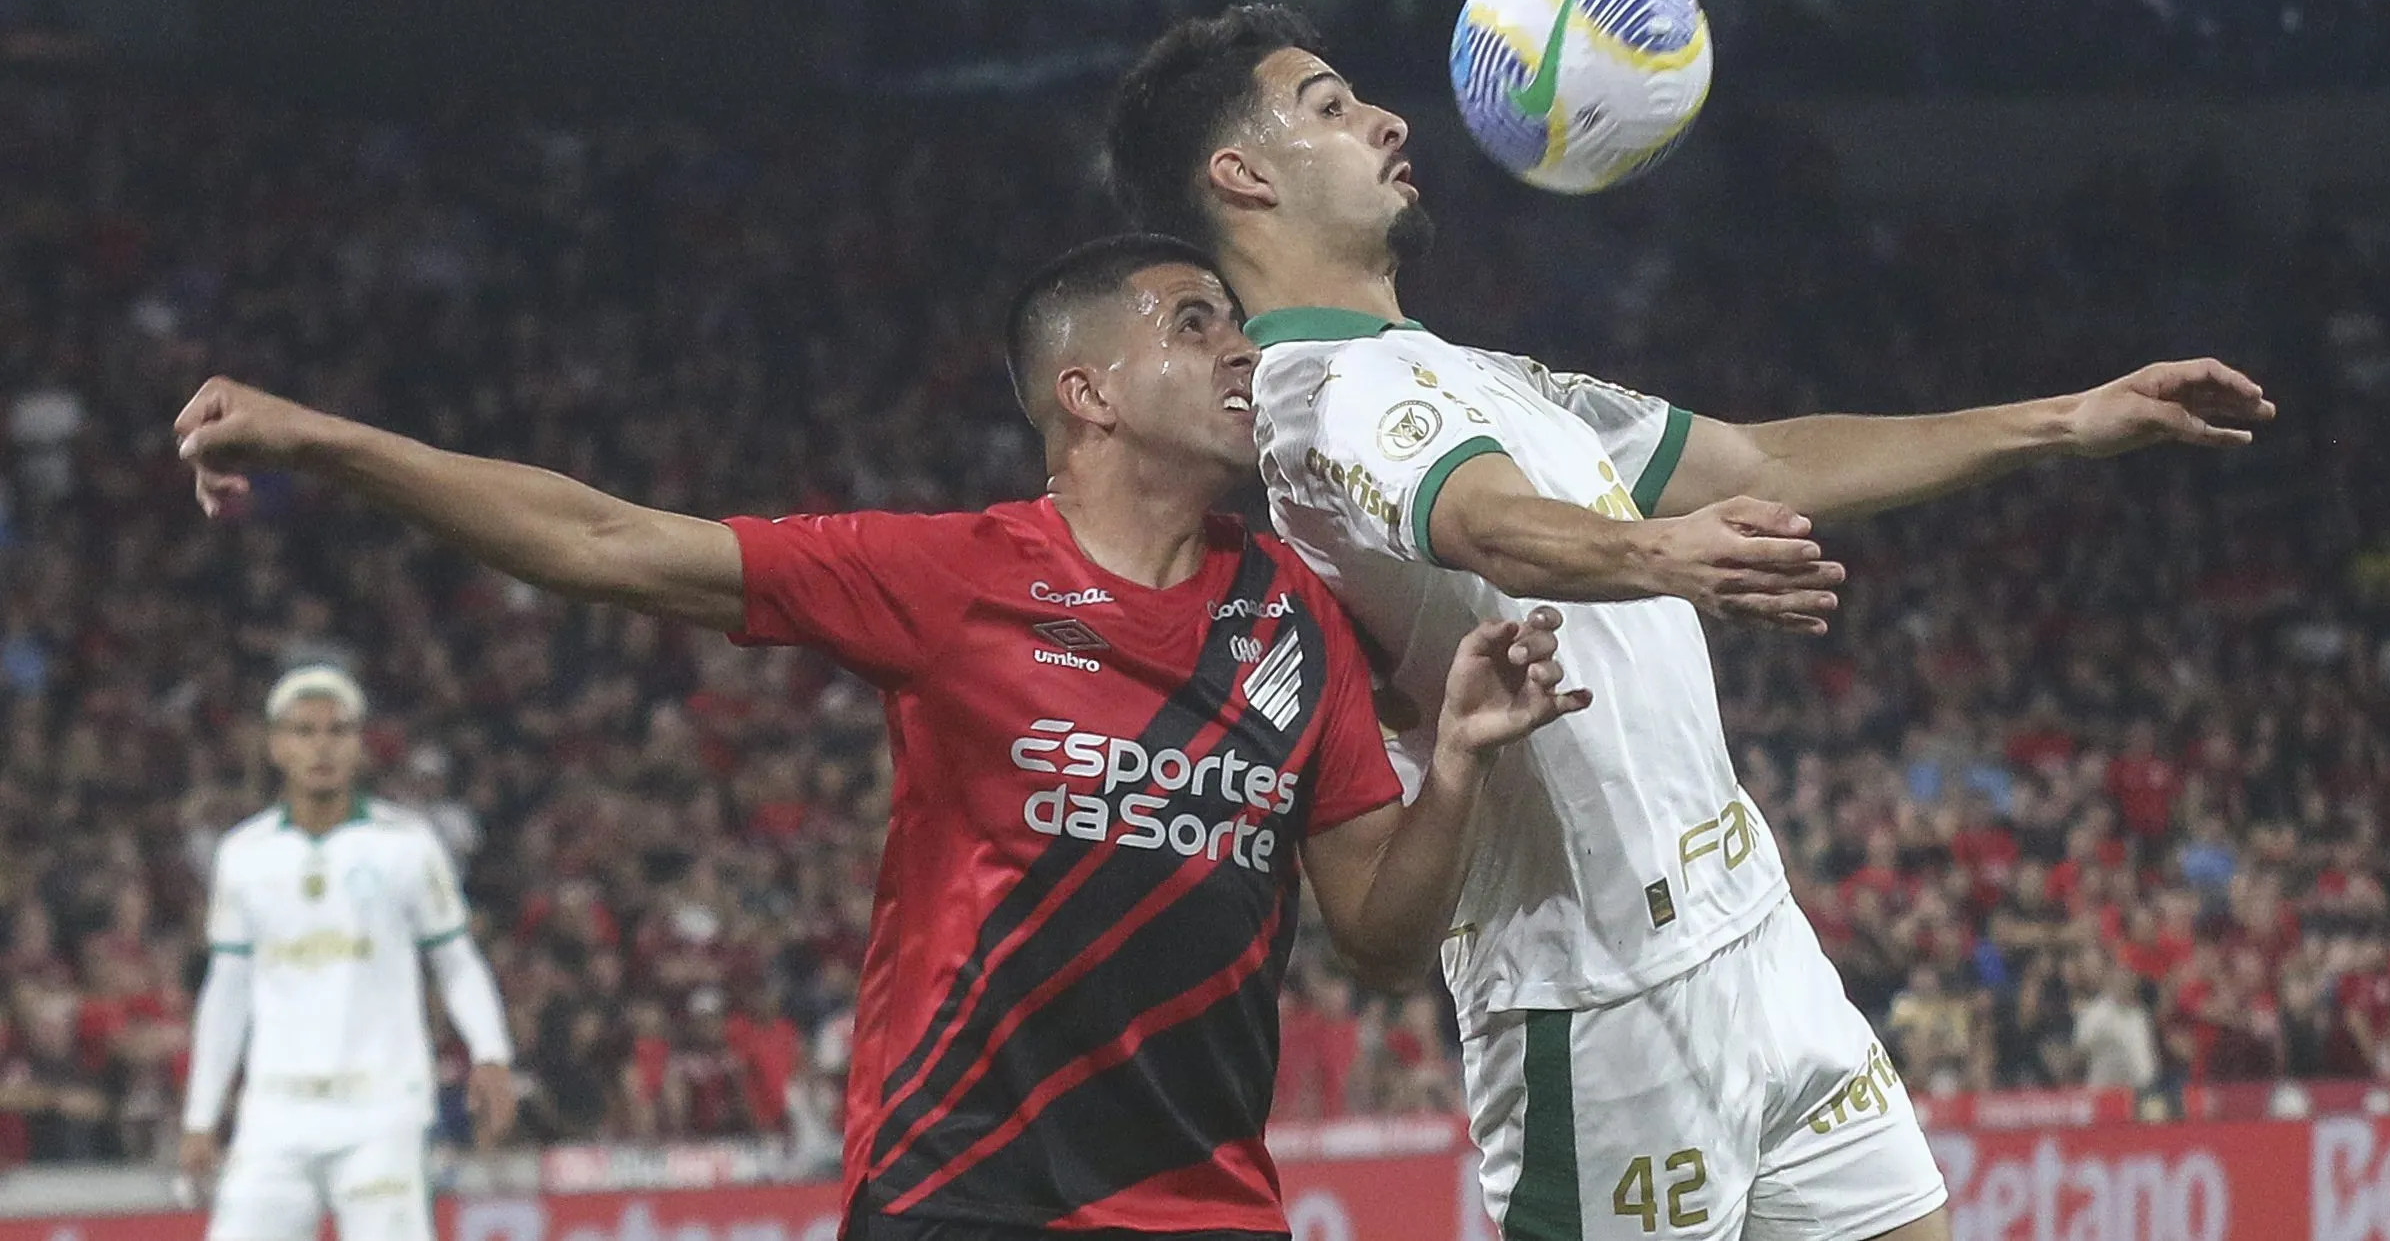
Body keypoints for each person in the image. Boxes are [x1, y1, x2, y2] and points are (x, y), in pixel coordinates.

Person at [1106, 5, 2277, 1241]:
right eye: (1331, 108)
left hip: (1758, 937)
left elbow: (1761, 456)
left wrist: (2066, 419)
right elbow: (1487, 522)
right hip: (1597, 998)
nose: (1389, 120)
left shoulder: (1493, 378)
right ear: (1241, 176)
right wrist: (1654, 552)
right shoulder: (1316, 398)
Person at [171, 233, 1589, 1240]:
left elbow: (1386, 940)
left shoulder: (1296, 616)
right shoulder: (950, 575)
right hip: (960, 1190)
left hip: (1205, 1203)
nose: (1243, 349)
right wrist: (329, 445)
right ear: (1085, 394)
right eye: (1195, 322)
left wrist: (1455, 762)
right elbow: (605, 542)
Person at [179, 664, 516, 1241]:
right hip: (275, 1114)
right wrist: (200, 1116)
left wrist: (491, 1053)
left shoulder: (406, 844)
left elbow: (455, 958)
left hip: (382, 1111)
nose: (322, 746)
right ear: (276, 745)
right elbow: (226, 991)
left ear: (359, 745)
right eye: (304, 731)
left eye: (338, 731)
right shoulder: (243, 856)